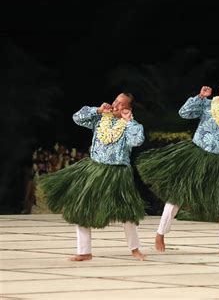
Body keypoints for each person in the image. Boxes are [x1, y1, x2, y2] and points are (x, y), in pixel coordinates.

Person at [137, 81, 219, 253]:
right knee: (178, 194)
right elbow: (184, 113)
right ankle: (160, 234)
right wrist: (199, 97)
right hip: (197, 156)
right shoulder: (206, 104)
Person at [41, 93, 146, 261]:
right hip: (94, 169)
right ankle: (84, 251)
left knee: (126, 212)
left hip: (117, 173)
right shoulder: (100, 119)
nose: (115, 105)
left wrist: (129, 121)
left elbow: (137, 141)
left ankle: (134, 249)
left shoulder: (131, 126)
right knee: (81, 207)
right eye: (115, 101)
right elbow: (77, 117)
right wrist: (97, 110)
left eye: (120, 104)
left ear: (128, 109)